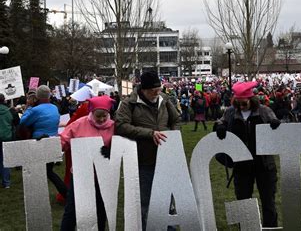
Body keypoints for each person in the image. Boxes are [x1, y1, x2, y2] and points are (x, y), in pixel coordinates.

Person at [115, 71, 180, 230]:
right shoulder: (129, 103)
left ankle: (169, 228)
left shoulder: (164, 100)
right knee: (146, 201)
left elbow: (176, 119)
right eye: (153, 90)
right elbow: (121, 126)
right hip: (143, 160)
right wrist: (149, 134)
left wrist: (172, 137)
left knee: (168, 199)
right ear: (143, 89)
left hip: (165, 157)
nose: (157, 93)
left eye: (159, 89)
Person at [214, 81, 281, 227]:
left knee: (268, 200)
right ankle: (246, 228)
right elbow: (220, 121)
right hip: (241, 164)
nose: (241, 107)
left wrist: (276, 124)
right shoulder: (231, 112)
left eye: (244, 103)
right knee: (243, 200)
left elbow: (276, 126)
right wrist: (219, 126)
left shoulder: (264, 111)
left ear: (252, 100)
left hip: (263, 164)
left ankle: (270, 228)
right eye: (238, 103)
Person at [59, 95, 115, 231]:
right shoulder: (79, 124)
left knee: (101, 210)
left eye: (104, 115)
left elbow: (123, 146)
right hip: (80, 175)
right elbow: (63, 140)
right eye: (98, 116)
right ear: (91, 112)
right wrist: (47, 143)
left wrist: (112, 151)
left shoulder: (114, 126)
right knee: (72, 210)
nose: (101, 119)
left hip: (102, 176)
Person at [19, 85, 68, 199]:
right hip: (53, 141)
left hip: (39, 142)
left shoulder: (35, 110)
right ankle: (63, 193)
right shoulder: (54, 108)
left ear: (37, 96)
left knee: (42, 171)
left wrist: (29, 107)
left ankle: (65, 193)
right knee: (47, 170)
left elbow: (23, 122)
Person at [0, 93, 18, 188]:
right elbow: (15, 122)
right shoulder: (9, 111)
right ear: (4, 101)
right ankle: (6, 182)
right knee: (5, 160)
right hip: (7, 137)